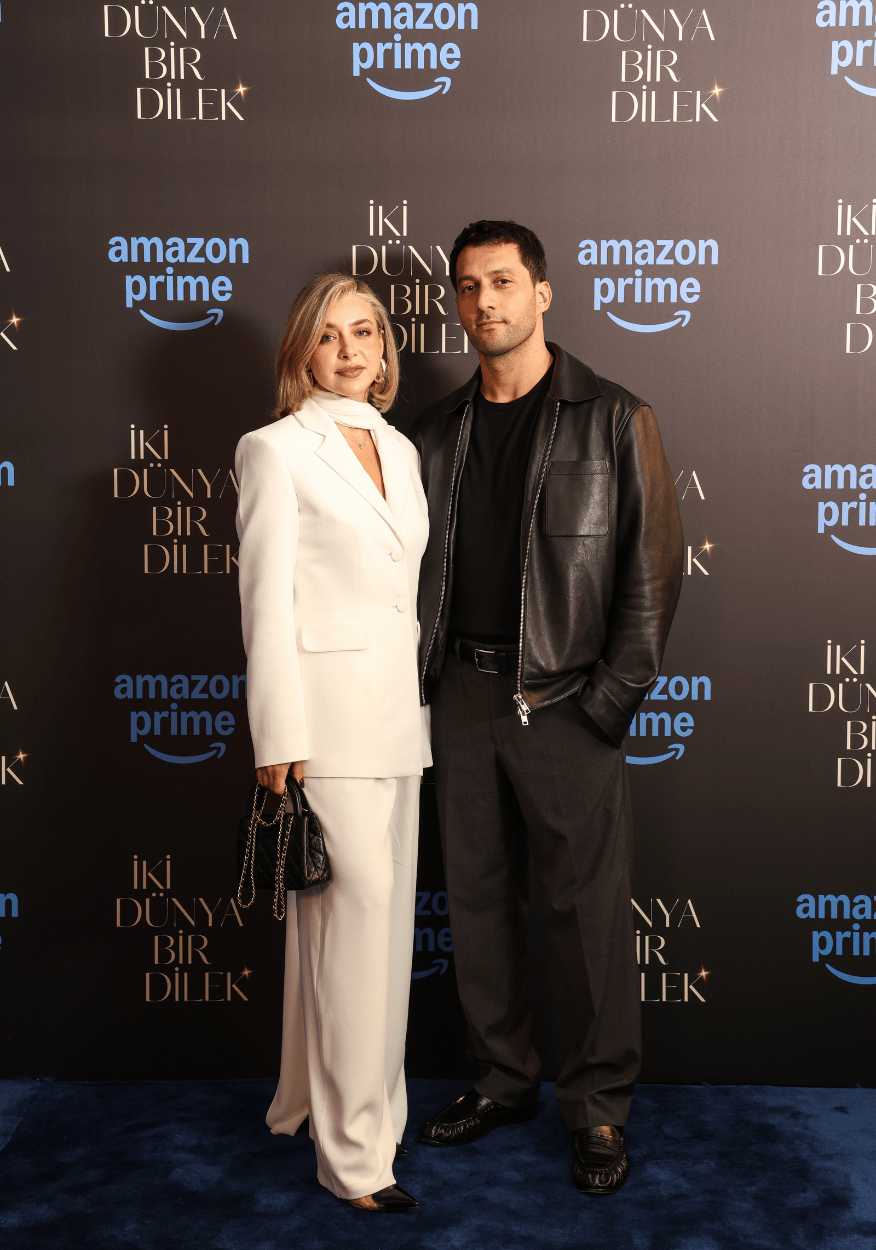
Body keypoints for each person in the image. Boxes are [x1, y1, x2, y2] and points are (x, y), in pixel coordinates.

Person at [412, 221, 683, 1195]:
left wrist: (608, 701)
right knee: (478, 900)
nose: (483, 301)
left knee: (587, 916)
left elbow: (653, 575)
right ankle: (501, 1080)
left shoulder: (615, 417)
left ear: (543, 293)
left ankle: (599, 1106)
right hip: (460, 694)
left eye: (501, 281)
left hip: (565, 699)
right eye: (466, 286)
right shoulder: (435, 431)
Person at [235, 272, 430, 1212]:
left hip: (400, 721)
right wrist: (278, 733)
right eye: (329, 335)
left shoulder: (400, 446)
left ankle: (333, 1105)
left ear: (385, 346)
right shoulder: (273, 449)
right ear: (302, 353)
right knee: (354, 922)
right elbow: (265, 603)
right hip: (325, 725)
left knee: (376, 934)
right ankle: (355, 1158)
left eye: (366, 331)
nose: (351, 350)